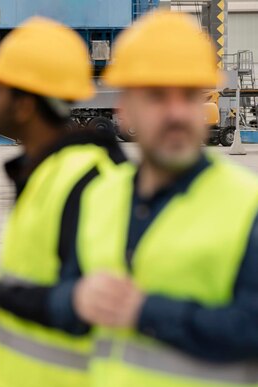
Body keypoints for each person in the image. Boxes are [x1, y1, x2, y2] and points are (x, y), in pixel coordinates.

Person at [65, 11, 258, 387]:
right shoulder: (98, 199)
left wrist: (146, 312)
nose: (176, 113)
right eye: (156, 96)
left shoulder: (246, 206)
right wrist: (72, 299)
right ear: (123, 108)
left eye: (189, 95)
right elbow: (71, 298)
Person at [0, 18, 125, 387]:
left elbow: (90, 306)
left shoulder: (87, 182)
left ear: (24, 105)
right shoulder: (42, 173)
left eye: (0, 90)